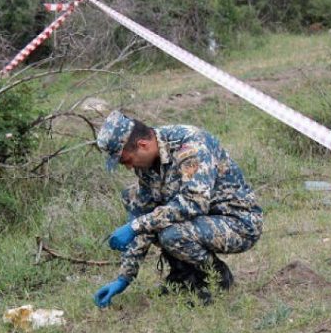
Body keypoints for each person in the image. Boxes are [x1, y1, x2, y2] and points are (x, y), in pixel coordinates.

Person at [93, 110, 263, 308]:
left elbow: (194, 202)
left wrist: (136, 226)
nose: (129, 167)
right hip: (203, 221)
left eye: (127, 160)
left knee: (171, 233)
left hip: (238, 222)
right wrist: (124, 277)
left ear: (143, 145)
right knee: (145, 210)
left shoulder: (190, 145)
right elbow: (145, 216)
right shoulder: (147, 165)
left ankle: (215, 278)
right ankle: (184, 277)